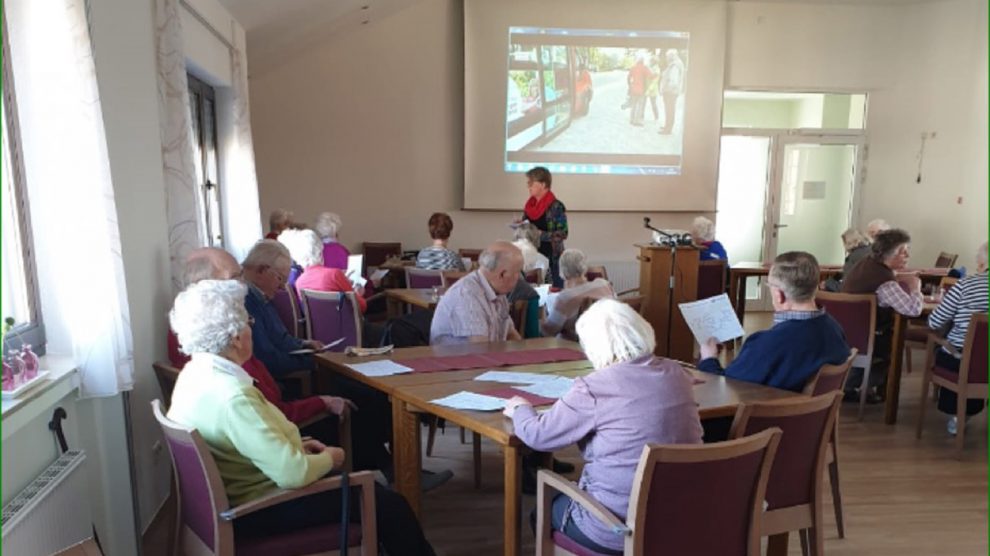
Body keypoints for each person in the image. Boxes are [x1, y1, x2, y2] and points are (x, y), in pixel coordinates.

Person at [166, 280, 435, 555]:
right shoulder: (233, 396)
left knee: (380, 501)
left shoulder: (193, 376)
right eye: (249, 321)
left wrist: (298, 447)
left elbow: (248, 443)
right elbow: (292, 474)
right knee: (390, 506)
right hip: (265, 506)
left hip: (247, 494)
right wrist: (332, 457)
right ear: (235, 337)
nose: (251, 328)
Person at [504, 299, 703, 554]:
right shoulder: (677, 374)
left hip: (616, 528)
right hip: (681, 518)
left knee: (542, 510)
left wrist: (520, 408)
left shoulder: (594, 387)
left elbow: (538, 436)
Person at [167, 247, 341, 428]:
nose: (243, 284)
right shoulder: (222, 334)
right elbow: (271, 413)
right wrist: (322, 400)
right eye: (235, 277)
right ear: (208, 285)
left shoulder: (189, 323)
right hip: (267, 425)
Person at [698, 251, 850, 392]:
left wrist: (708, 359)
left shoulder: (767, 344)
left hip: (760, 420)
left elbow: (726, 390)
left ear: (779, 295)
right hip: (807, 418)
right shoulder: (835, 329)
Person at [842, 228, 922, 401]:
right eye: (903, 252)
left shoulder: (867, 264)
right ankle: (866, 388)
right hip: (871, 339)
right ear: (889, 255)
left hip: (849, 333)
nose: (907, 255)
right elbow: (913, 310)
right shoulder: (884, 282)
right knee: (895, 343)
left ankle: (852, 386)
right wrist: (915, 287)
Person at [927, 242, 988, 434]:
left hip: (962, 361)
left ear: (981, 264)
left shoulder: (966, 284)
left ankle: (958, 415)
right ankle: (968, 411)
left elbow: (934, 321)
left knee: (948, 352)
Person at [241, 240, 323, 378]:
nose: (282, 287)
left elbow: (279, 338)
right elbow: (268, 359)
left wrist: (302, 344)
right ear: (262, 270)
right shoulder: (246, 300)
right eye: (280, 279)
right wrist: (314, 361)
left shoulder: (260, 295)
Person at [430, 241, 524, 345]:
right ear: (502, 274)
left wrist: (524, 354)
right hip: (457, 359)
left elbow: (510, 333)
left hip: (484, 356)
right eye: (518, 272)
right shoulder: (467, 295)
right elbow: (480, 349)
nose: (519, 277)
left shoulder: (498, 293)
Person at [280, 228, 367, 313]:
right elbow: (361, 307)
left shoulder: (299, 282)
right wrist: (358, 294)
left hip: (319, 327)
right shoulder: (334, 274)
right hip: (347, 326)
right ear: (320, 250)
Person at [542, 249, 615, 339]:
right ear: (584, 267)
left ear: (563, 271)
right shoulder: (604, 284)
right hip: (606, 342)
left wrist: (542, 315)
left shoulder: (566, 298)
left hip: (574, 347)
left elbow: (549, 331)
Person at [522, 166, 568, 288]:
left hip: (552, 258)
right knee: (533, 293)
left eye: (531, 183)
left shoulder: (556, 206)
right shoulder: (529, 205)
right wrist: (520, 226)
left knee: (551, 293)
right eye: (528, 183)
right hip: (531, 256)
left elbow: (563, 233)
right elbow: (525, 227)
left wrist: (541, 234)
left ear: (543, 185)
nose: (528, 186)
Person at [658, 49, 685, 135]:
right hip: (672, 92)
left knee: (669, 110)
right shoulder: (676, 64)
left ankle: (667, 129)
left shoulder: (675, 66)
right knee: (670, 110)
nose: (666, 58)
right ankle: (667, 126)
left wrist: (667, 88)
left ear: (672, 56)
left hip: (670, 92)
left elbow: (674, 81)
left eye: (667, 56)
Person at [626, 54, 653, 127]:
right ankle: (637, 121)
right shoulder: (644, 68)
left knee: (633, 105)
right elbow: (651, 76)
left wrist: (630, 85)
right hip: (641, 90)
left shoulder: (633, 68)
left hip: (633, 89)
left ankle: (631, 119)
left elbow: (628, 78)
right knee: (640, 105)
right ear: (643, 61)